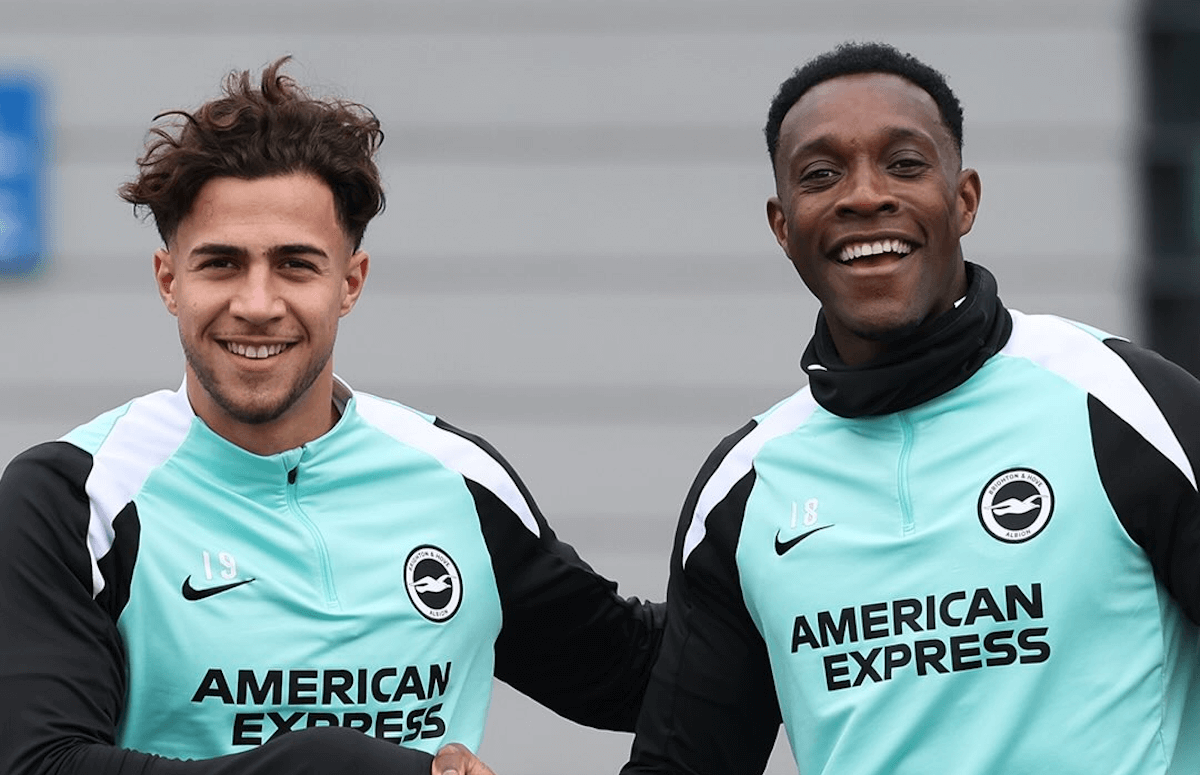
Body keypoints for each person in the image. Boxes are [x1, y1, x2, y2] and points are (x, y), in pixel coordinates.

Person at [0, 58, 662, 775]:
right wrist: (328, 764)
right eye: (221, 263)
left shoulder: (453, 478)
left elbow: (637, 672)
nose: (257, 304)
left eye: (295, 264)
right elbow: (41, 762)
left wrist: (743, 527)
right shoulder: (77, 497)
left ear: (350, 282)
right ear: (170, 280)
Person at [621, 41, 1200, 774]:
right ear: (783, 225)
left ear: (964, 200)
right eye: (821, 174)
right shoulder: (745, 489)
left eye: (904, 164)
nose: (865, 196)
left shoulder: (1125, 404)